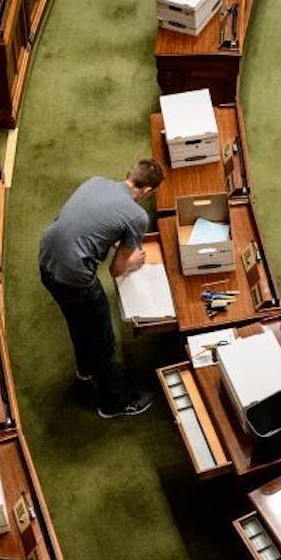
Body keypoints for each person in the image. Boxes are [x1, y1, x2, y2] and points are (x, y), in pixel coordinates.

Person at [39, 160, 165, 418]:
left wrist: (112, 239)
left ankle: (86, 369)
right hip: (75, 277)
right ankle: (114, 403)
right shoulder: (137, 216)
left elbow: (87, 222)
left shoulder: (95, 182)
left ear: (128, 174)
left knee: (77, 320)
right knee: (103, 338)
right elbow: (116, 270)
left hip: (47, 261)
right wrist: (133, 260)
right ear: (148, 191)